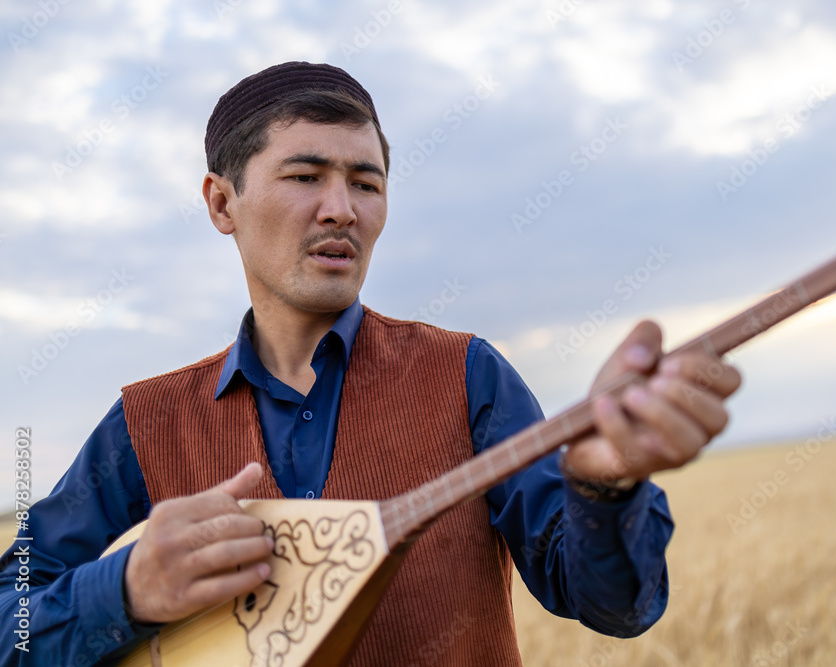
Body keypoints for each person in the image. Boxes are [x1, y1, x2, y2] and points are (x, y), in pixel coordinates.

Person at [0, 62, 740, 666]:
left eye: (365, 181)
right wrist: (124, 588)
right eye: (304, 176)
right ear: (221, 202)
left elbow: (615, 607)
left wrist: (604, 486)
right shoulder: (144, 420)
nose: (341, 209)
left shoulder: (468, 376)